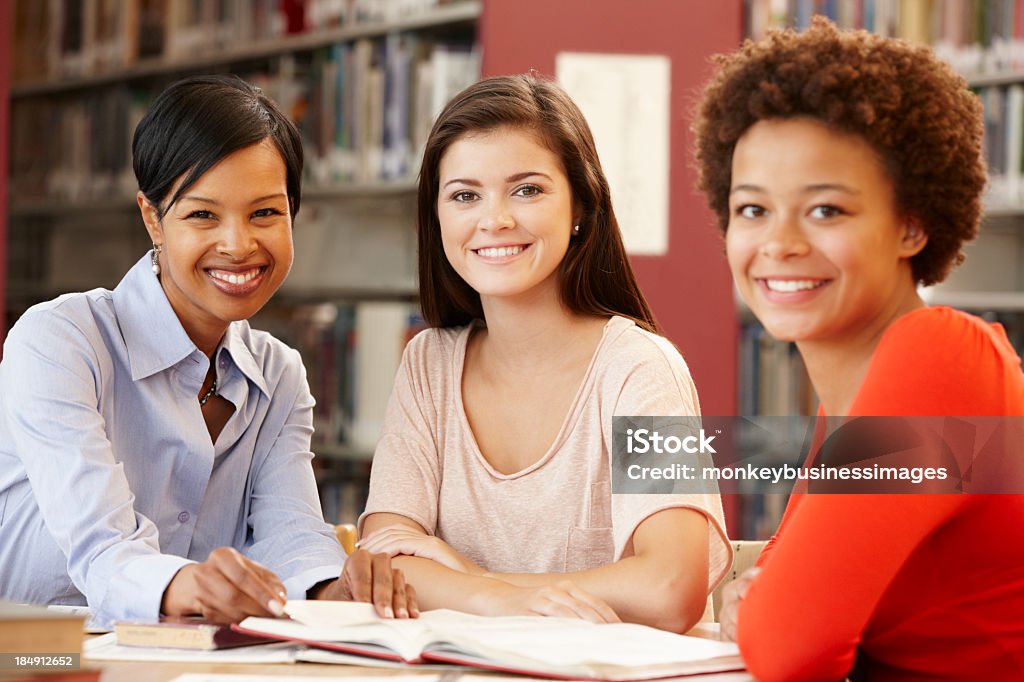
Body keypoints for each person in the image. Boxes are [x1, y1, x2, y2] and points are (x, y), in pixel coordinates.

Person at [0, 75, 415, 627]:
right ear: (153, 218)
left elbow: (290, 531)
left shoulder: (279, 374)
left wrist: (332, 589)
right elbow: (102, 548)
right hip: (38, 657)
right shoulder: (59, 340)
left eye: (266, 213)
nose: (240, 244)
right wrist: (187, 583)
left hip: (183, 658)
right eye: (202, 215)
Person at [693, 18, 1024, 681]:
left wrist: (767, 605)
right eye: (753, 210)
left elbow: (787, 642)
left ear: (910, 226)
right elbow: (777, 603)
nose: (779, 244)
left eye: (826, 211)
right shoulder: (854, 388)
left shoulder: (937, 359)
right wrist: (766, 601)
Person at [357, 74, 731, 633]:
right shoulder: (427, 364)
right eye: (464, 195)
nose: (495, 220)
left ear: (580, 205)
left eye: (527, 189)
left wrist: (472, 583)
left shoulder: (642, 369)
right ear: (436, 218)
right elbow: (384, 564)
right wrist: (494, 600)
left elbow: (671, 587)